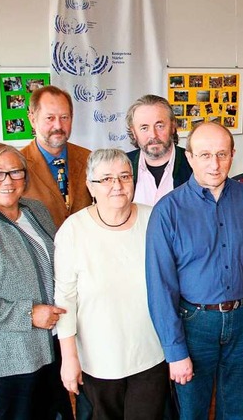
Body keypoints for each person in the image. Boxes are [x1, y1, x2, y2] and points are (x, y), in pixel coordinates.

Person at [145, 122, 243, 419]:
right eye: (205, 155)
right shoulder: (167, 211)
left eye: (222, 154)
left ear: (233, 155)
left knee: (238, 409)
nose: (215, 163)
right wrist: (175, 351)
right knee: (192, 410)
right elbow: (160, 287)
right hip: (194, 324)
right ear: (190, 157)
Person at [54, 149, 168, 419]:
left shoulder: (155, 219)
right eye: (105, 179)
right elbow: (65, 298)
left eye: (124, 176)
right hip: (97, 357)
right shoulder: (73, 230)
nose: (117, 185)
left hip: (151, 351)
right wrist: (69, 358)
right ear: (90, 186)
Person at [0, 143, 73, 420]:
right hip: (7, 359)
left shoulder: (36, 210)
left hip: (50, 345)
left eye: (16, 172)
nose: (7, 181)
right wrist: (28, 315)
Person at [22, 85, 91, 228]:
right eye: (50, 118)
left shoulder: (89, 158)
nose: (58, 125)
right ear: (32, 119)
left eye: (64, 117)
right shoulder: (18, 164)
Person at [125, 94, 193, 206]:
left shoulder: (194, 164)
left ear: (173, 126)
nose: (153, 135)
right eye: (144, 128)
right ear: (133, 132)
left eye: (159, 126)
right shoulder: (122, 166)